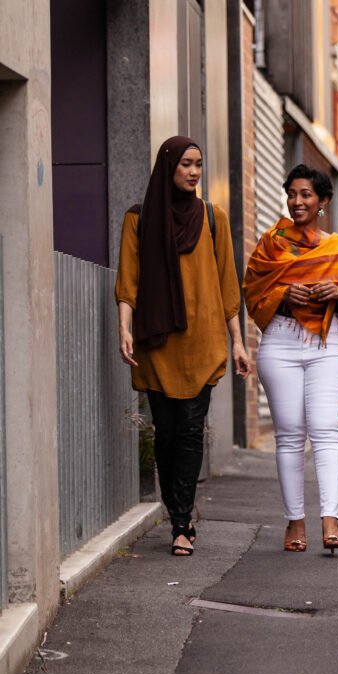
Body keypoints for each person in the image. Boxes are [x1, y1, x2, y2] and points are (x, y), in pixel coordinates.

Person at [116, 136, 252, 557]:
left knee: (191, 431)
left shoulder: (213, 219)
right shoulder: (139, 221)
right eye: (187, 164)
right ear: (169, 166)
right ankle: (176, 505)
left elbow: (229, 285)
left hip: (204, 341)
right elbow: (128, 282)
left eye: (199, 164)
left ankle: (181, 522)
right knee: (167, 432)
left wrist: (239, 342)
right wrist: (124, 328)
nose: (194, 172)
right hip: (158, 343)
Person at [243, 164, 338, 554]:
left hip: (326, 344)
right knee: (290, 436)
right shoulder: (270, 244)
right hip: (279, 344)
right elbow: (252, 293)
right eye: (292, 194)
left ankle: (330, 519)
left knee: (326, 429)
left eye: (306, 195)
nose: (297, 202)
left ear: (323, 202)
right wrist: (283, 296)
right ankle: (294, 522)